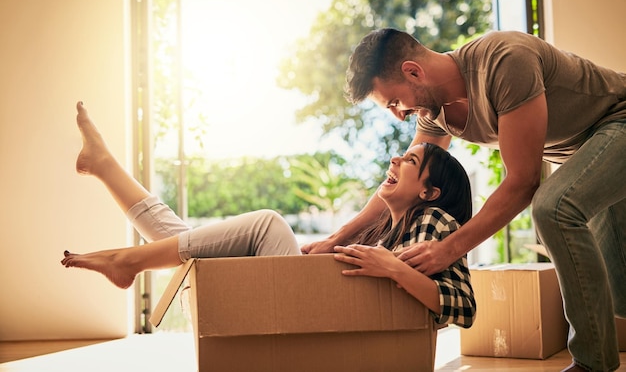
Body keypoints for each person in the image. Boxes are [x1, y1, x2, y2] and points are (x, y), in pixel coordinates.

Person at [302, 27, 626, 372]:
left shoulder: (504, 62)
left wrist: (447, 249)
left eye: (394, 102)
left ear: (413, 72)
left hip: (618, 120)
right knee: (620, 294)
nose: (397, 114)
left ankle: (592, 365)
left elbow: (524, 181)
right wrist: (337, 239)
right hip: (587, 153)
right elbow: (399, 184)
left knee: (553, 207)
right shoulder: (433, 113)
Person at [61, 101, 476, 329]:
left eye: (410, 159)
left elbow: (465, 306)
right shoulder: (390, 228)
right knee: (188, 240)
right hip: (313, 314)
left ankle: (129, 259)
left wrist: (394, 269)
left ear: (429, 191)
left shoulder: (436, 223)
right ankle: (105, 167)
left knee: (269, 223)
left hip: (315, 325)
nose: (396, 157)